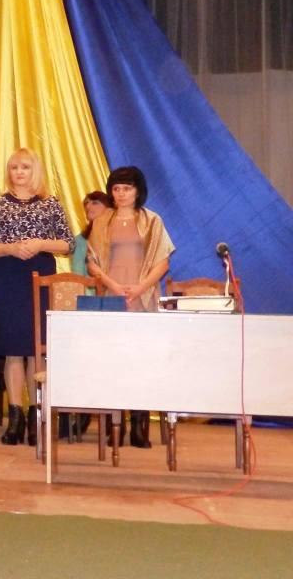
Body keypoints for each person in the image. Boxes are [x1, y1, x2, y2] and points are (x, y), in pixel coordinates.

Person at [0, 148, 74, 447]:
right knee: (12, 350)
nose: (19, 172)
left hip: (39, 277)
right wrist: (10, 248)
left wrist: (40, 244)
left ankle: (36, 417)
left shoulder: (50, 204)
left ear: (35, 171)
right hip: (8, 278)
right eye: (14, 167)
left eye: (25, 167)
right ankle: (15, 417)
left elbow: (67, 244)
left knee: (36, 350)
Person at [86, 166, 175, 448]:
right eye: (116, 189)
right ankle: (116, 423)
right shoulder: (102, 221)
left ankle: (139, 425)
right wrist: (113, 286)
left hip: (142, 298)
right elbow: (92, 263)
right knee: (112, 362)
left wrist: (139, 288)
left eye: (127, 188)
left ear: (138, 191)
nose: (121, 194)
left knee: (141, 362)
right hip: (112, 297)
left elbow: (163, 262)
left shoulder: (152, 221)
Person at [71, 191, 112, 276]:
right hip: (91, 284)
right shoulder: (80, 240)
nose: (88, 206)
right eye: (86, 203)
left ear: (109, 207)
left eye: (95, 203)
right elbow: (78, 274)